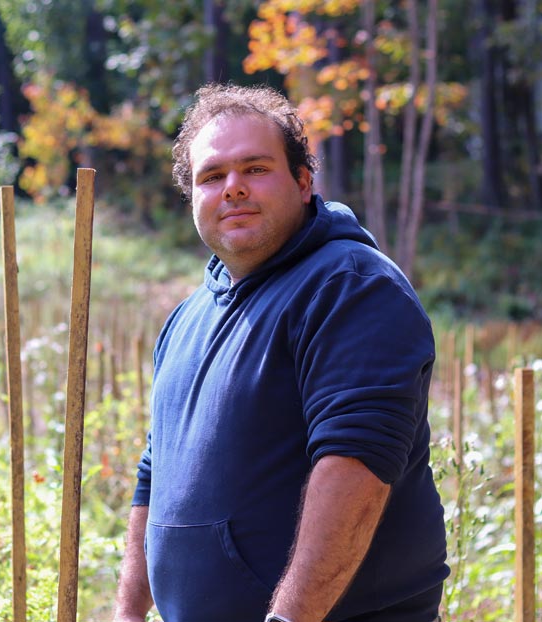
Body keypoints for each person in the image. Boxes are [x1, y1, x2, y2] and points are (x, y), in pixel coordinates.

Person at [112, 83, 449, 622]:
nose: (233, 189)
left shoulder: (349, 286)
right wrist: (128, 612)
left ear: (303, 180)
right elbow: (156, 472)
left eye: (255, 169)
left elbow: (356, 464)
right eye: (212, 176)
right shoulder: (186, 319)